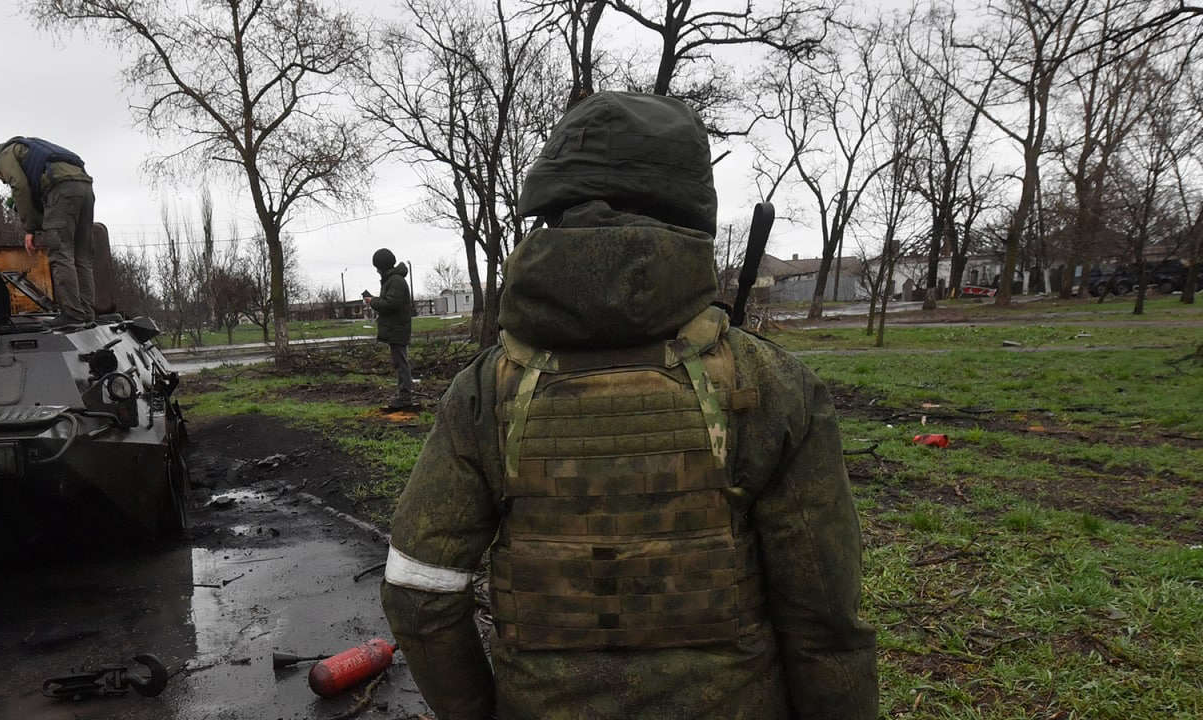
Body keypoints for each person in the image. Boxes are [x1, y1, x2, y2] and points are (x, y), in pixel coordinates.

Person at [380, 91, 877, 719]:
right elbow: (826, 620)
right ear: (691, 212)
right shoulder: (772, 383)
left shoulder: (482, 391)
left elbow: (419, 592)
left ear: (553, 207)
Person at [0, 136, 95, 325]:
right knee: (81, 257)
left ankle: (73, 314)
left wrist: (31, 229)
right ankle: (86, 312)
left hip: (61, 188)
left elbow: (19, 186)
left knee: (60, 254)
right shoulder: (30, 148)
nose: (3, 180)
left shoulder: (4, 154)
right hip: (85, 188)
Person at [366, 248, 414, 409]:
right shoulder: (393, 280)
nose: (377, 270)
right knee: (399, 362)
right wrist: (374, 300)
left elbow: (391, 304)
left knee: (401, 363)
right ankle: (403, 394)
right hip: (396, 328)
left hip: (398, 329)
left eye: (377, 266)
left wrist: (373, 301)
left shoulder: (395, 281)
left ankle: (405, 396)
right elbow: (389, 301)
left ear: (382, 266)